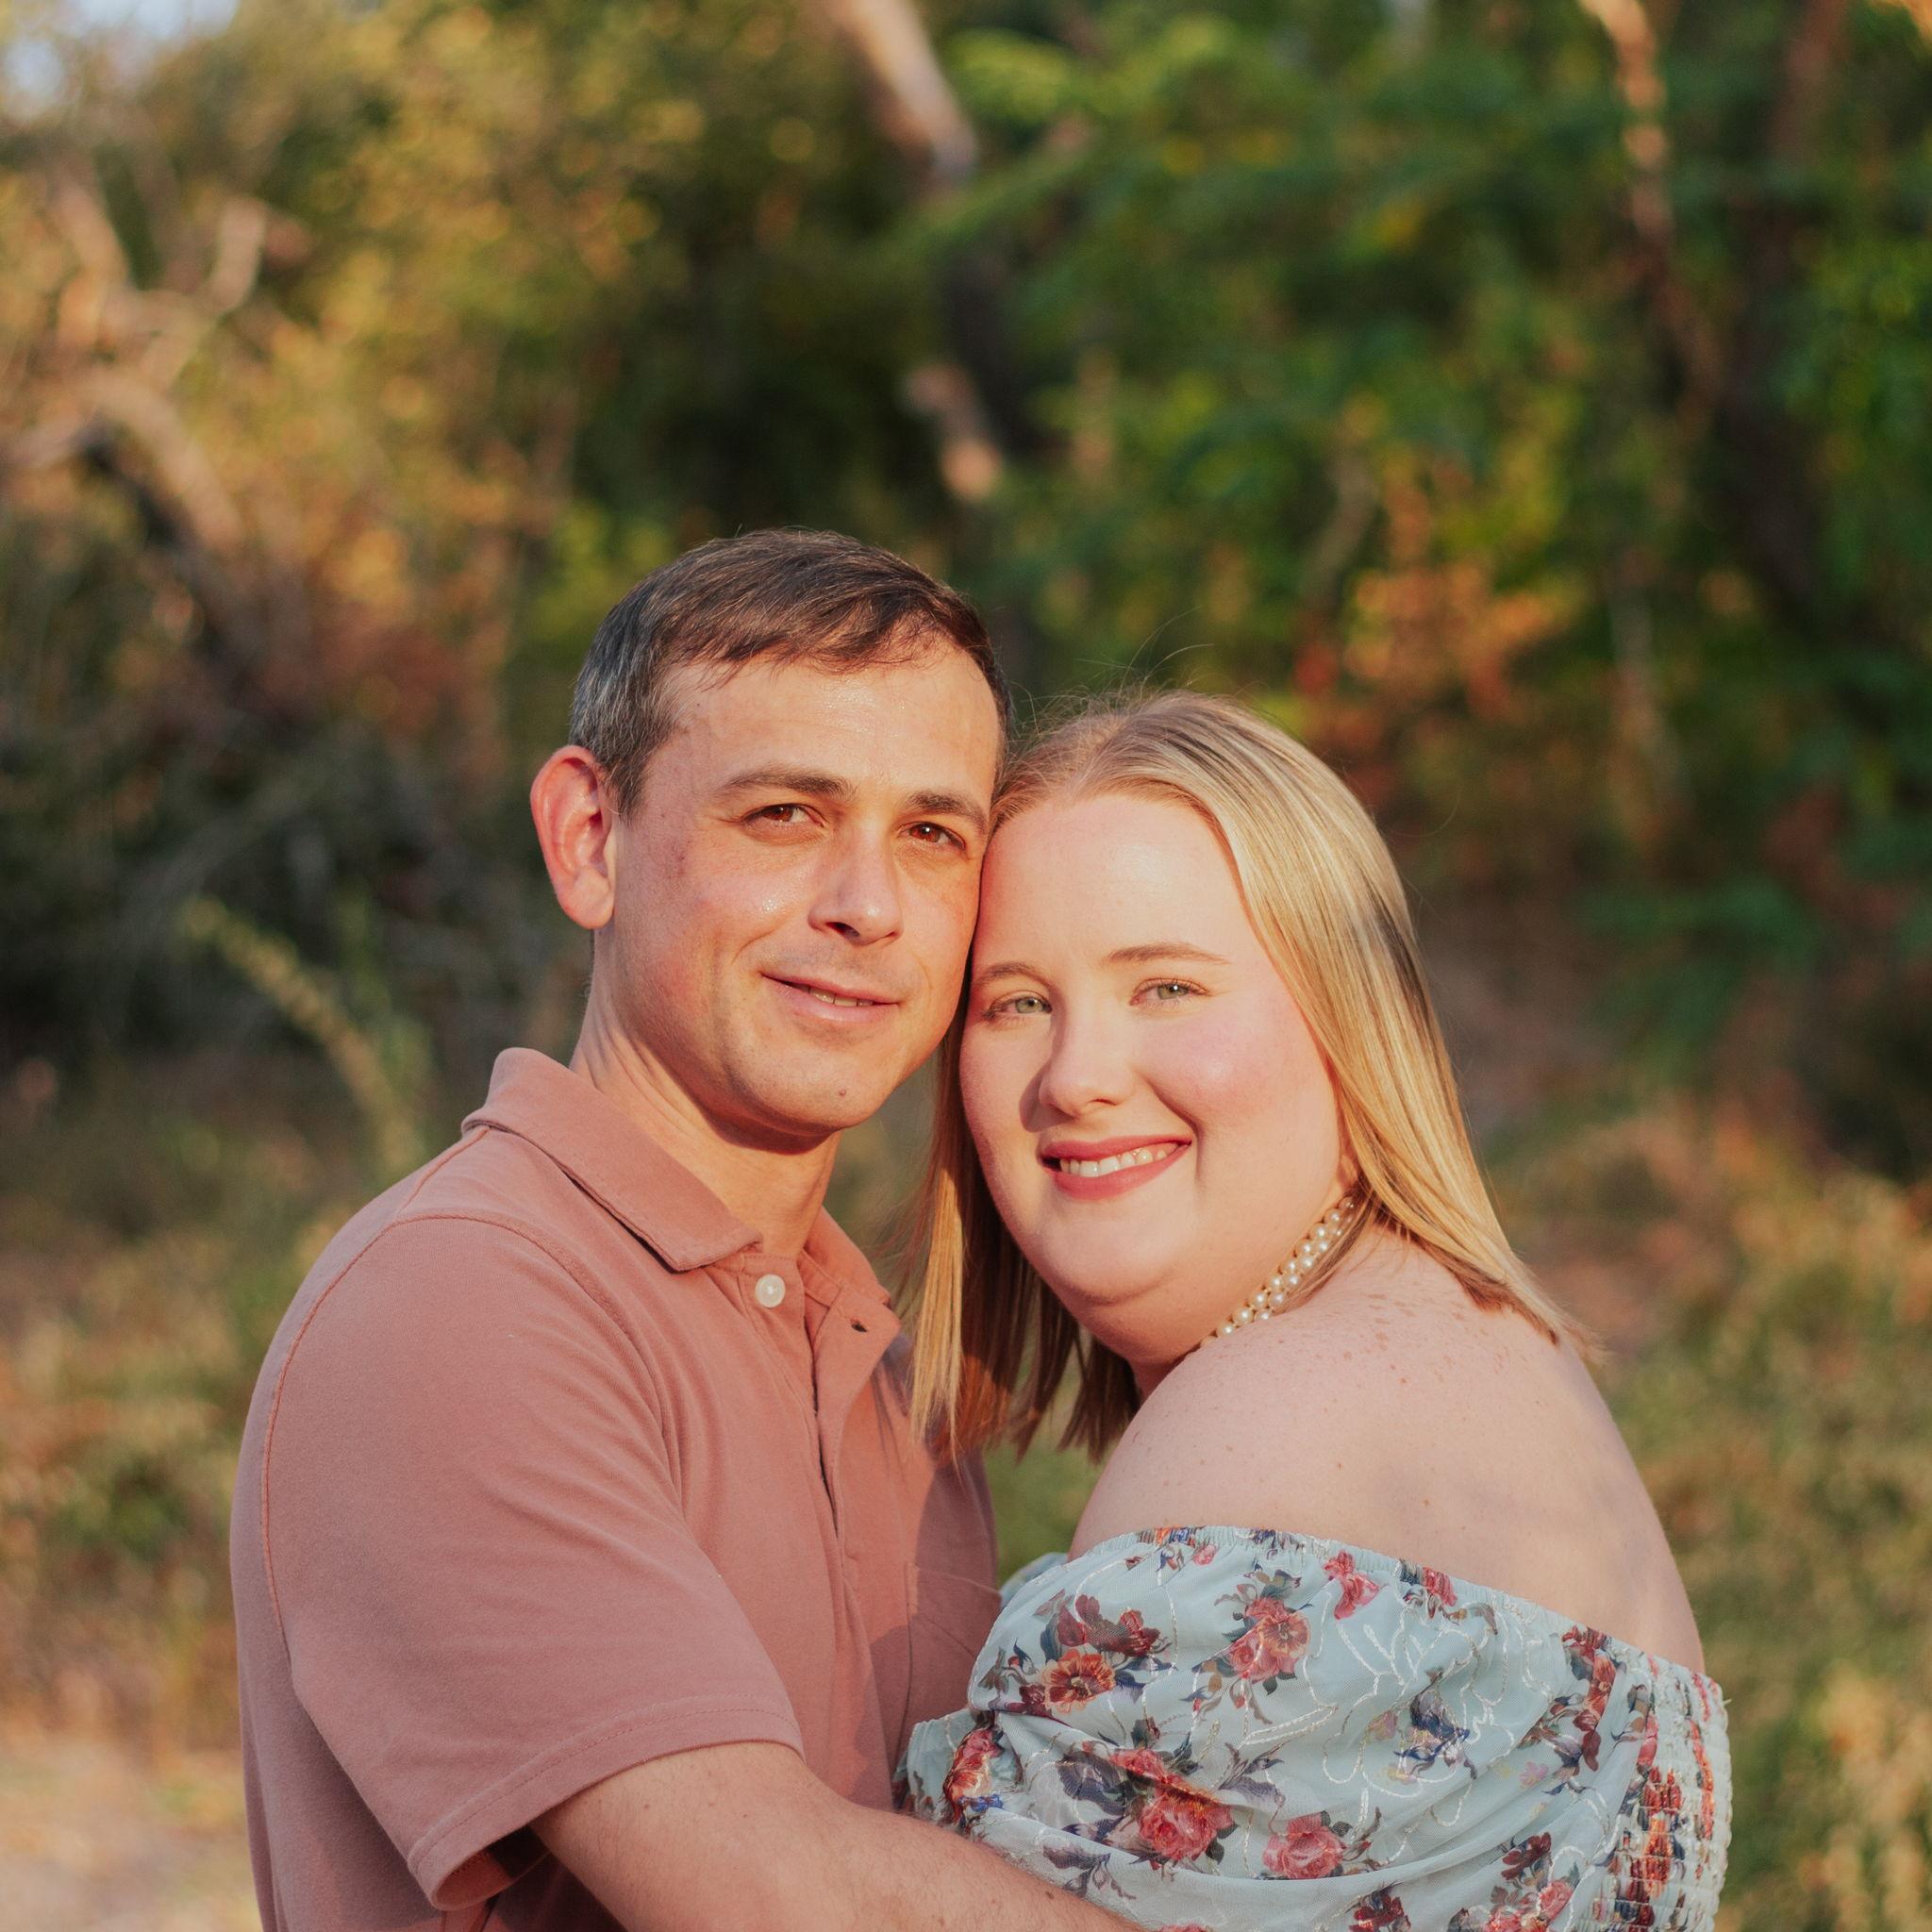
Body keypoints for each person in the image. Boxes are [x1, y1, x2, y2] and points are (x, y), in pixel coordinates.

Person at [229, 530, 1121, 1931]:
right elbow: (777, 1900)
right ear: (590, 839)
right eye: (786, 816)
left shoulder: (883, 1366)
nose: (868, 907)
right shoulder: (461, 1304)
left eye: (932, 836)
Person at [901, 690, 1731, 1928]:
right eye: (1016, 1002)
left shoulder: (1261, 1420)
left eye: (1167, 987)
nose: (1075, 1077)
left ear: (1350, 1020)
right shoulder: (1500, 1353)